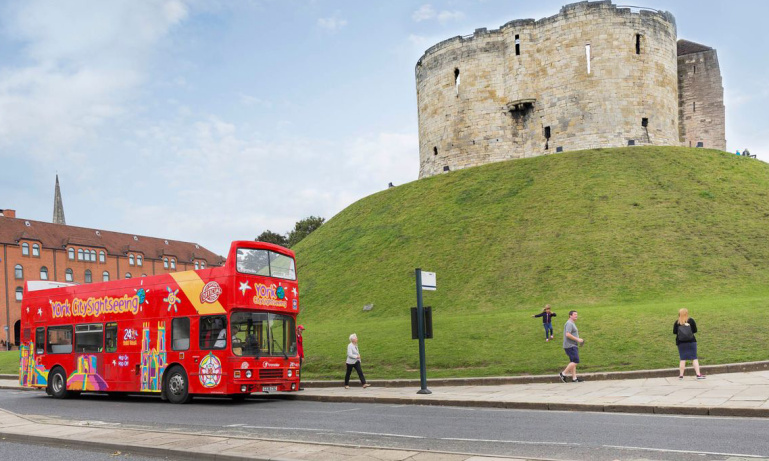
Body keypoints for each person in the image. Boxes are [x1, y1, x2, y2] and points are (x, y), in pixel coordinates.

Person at [674, 308, 705, 380]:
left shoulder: (677, 322)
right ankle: (698, 374)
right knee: (694, 358)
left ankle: (681, 376)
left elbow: (674, 332)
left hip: (681, 342)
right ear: (686, 313)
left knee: (682, 359)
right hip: (691, 341)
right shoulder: (691, 320)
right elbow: (695, 330)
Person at [559, 310, 585, 383]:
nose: (576, 315)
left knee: (573, 361)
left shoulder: (571, 323)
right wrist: (578, 339)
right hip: (570, 345)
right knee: (576, 361)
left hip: (572, 345)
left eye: (577, 314)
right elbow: (567, 334)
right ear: (570, 315)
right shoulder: (569, 323)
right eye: (574, 314)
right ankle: (563, 374)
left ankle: (574, 378)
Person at [296, 325, 305, 390]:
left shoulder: (300, 337)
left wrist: (302, 356)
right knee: (296, 371)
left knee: (299, 371)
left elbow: (301, 347)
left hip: (300, 356)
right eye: (301, 329)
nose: (301, 331)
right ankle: (296, 385)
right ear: (298, 329)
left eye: (302, 330)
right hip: (296, 356)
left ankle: (298, 385)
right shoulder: (295, 337)